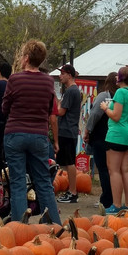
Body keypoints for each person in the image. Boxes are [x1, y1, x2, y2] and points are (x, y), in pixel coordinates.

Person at [1, 40, 61, 225]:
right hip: (39, 135)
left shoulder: (15, 79)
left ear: (26, 58)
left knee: (18, 181)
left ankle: (20, 226)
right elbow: (49, 107)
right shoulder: (48, 81)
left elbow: (5, 107)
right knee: (43, 181)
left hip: (15, 133)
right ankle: (53, 225)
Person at [101, 65, 128, 214]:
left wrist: (105, 108)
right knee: (126, 169)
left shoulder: (120, 92)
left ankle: (116, 205)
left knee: (114, 170)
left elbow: (116, 116)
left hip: (117, 134)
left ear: (121, 78)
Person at [84, 72, 116, 209]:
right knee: (113, 170)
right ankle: (114, 198)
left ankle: (106, 199)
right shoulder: (120, 97)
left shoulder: (104, 96)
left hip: (101, 136)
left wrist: (87, 130)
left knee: (103, 168)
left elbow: (95, 114)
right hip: (116, 137)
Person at [55, 63, 83, 204]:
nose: (60, 76)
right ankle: (70, 191)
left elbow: (60, 111)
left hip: (67, 130)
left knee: (70, 162)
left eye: (63, 73)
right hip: (66, 130)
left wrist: (54, 104)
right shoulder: (70, 91)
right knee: (64, 162)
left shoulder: (72, 91)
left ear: (69, 75)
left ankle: (73, 192)